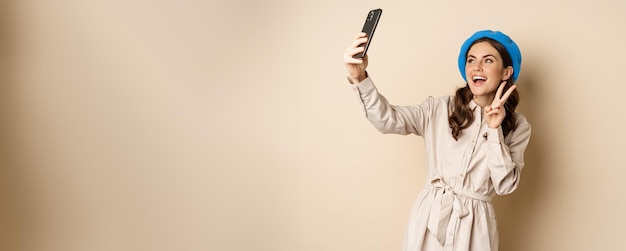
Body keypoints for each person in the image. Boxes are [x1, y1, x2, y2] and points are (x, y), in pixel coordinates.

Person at [342, 30, 532, 251]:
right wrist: (359, 77)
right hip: (429, 220)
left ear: (506, 72)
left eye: (487, 60)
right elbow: (387, 119)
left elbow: (506, 184)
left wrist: (494, 129)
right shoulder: (439, 109)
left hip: (476, 228)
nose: (476, 67)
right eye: (471, 60)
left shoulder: (518, 126)